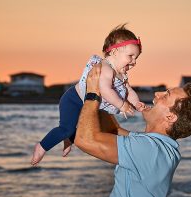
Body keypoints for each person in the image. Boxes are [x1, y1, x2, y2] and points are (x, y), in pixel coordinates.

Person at [75, 64, 191, 197]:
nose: (156, 94)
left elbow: (84, 140)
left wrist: (92, 94)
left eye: (166, 95)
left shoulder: (151, 150)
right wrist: (108, 91)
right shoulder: (156, 147)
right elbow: (113, 131)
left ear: (170, 117)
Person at [31, 24, 144, 166]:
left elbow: (128, 91)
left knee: (84, 131)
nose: (134, 62)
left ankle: (68, 138)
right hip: (73, 100)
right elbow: (105, 90)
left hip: (88, 105)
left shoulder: (121, 74)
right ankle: (42, 146)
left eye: (136, 58)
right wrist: (121, 105)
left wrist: (136, 103)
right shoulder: (105, 68)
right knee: (66, 128)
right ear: (114, 52)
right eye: (131, 56)